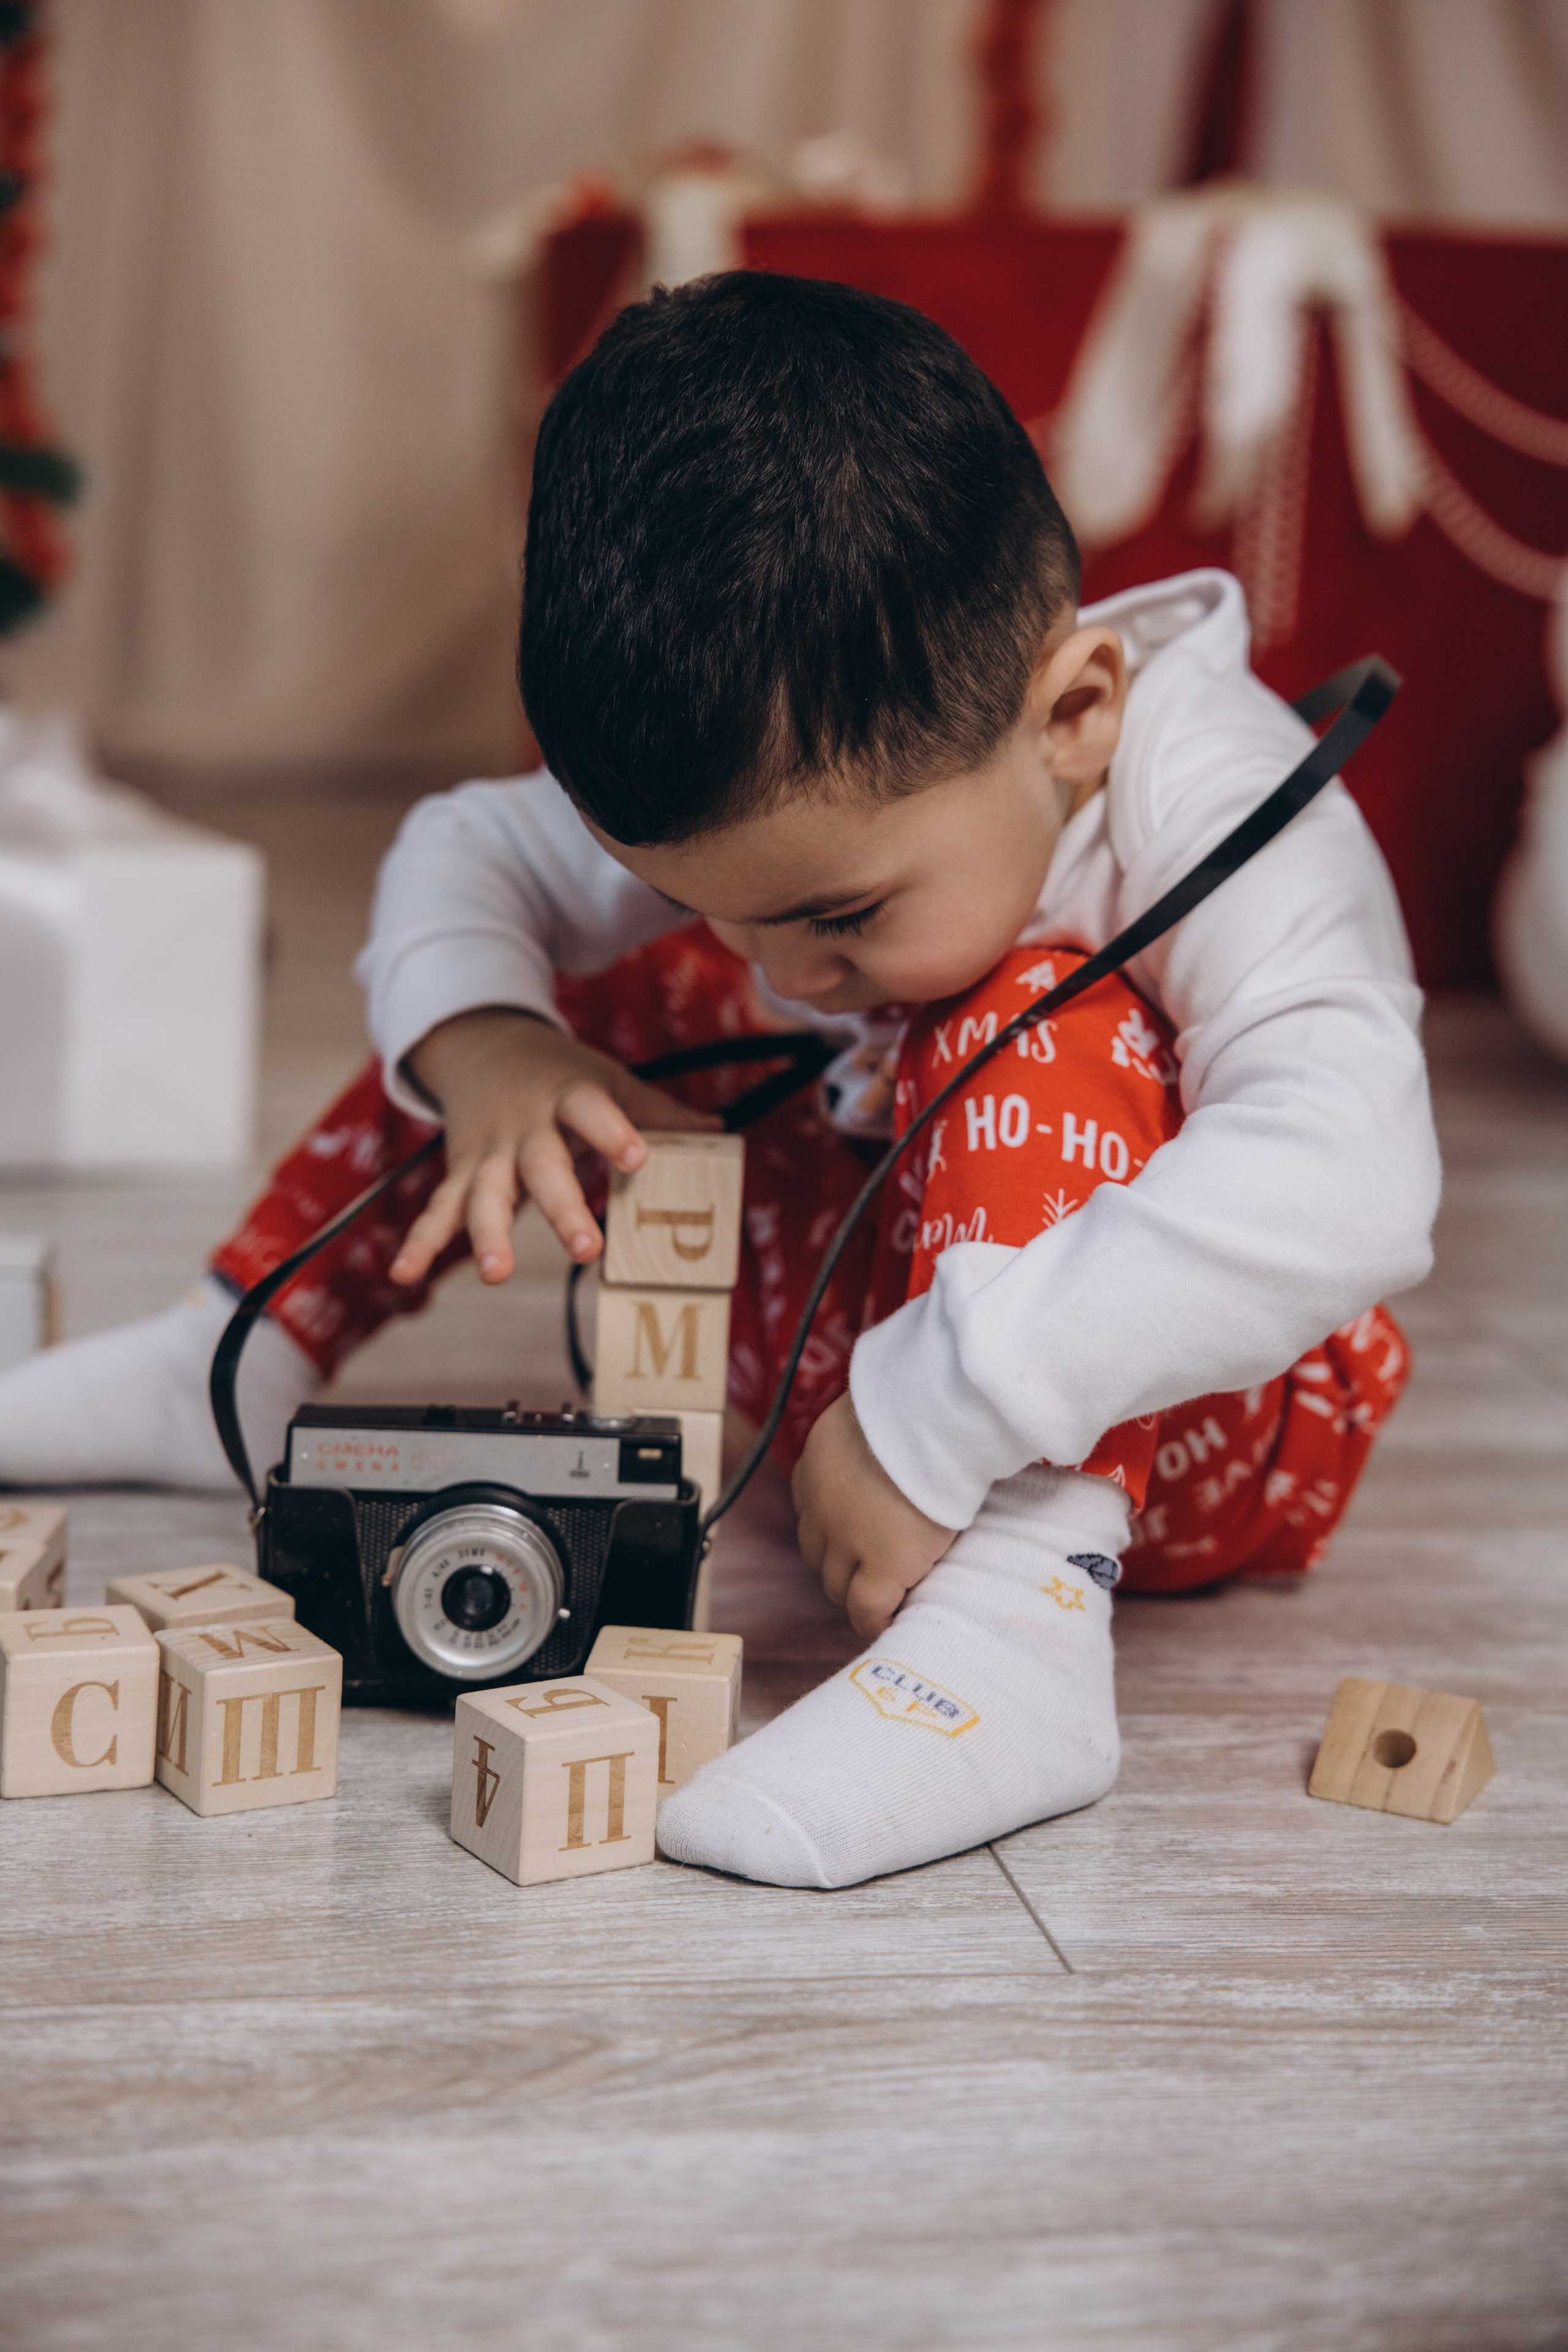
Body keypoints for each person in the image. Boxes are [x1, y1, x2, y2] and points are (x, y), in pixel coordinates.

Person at [0, 272, 1437, 1886]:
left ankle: (1019, 1633)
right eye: (721, 905)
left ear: (1079, 712)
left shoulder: (1228, 800)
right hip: (846, 1362)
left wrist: (939, 1409)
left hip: (1197, 1441)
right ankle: (240, 1354)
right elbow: (467, 849)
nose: (783, 972)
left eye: (840, 913)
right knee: (553, 997)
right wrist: (490, 1048)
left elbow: (1357, 1174)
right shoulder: (812, 809)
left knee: (1024, 1003)